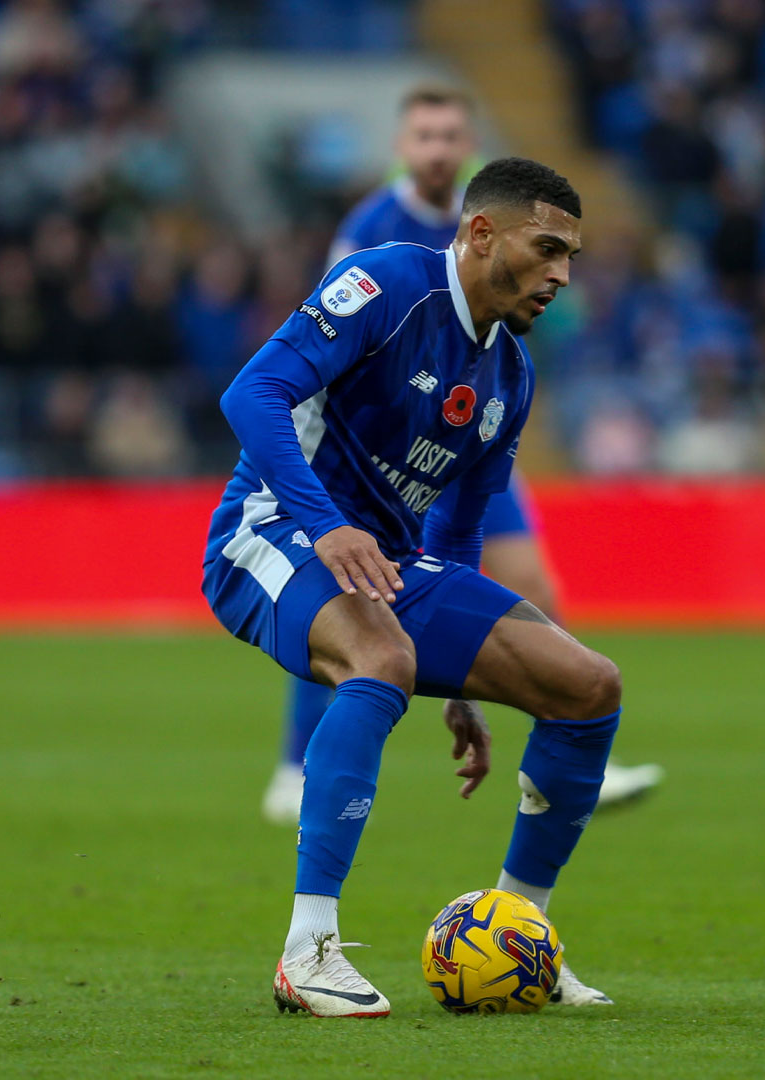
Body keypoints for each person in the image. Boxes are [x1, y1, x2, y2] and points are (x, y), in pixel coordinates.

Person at [204, 157, 620, 1017]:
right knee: (381, 655)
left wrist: (465, 685)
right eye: (546, 250)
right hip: (270, 531)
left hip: (384, 564)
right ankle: (307, 950)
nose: (561, 277)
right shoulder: (387, 281)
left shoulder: (511, 375)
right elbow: (253, 394)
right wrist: (327, 524)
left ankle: (519, 934)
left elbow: (460, 532)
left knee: (586, 687)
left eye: (570, 258)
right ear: (480, 233)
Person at [261, 85, 660, 828]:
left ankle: (570, 745)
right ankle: (294, 760)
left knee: (533, 579)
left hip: (467, 428)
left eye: (452, 136)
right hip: (387, 431)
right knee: (341, 589)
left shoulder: (511, 220)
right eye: (425, 136)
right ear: (402, 150)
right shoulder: (373, 232)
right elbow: (320, 348)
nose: (439, 149)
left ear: (469, 147)